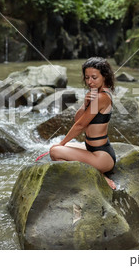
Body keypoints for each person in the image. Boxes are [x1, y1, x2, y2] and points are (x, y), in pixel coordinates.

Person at [49, 57, 117, 189]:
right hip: (93, 150)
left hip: (102, 157)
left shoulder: (101, 97)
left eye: (94, 77)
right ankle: (96, 171)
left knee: (55, 151)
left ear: (104, 76)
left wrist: (61, 143)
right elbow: (78, 119)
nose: (90, 82)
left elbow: (80, 126)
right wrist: (85, 104)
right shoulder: (95, 93)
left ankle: (100, 176)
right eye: (87, 77)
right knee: (63, 147)